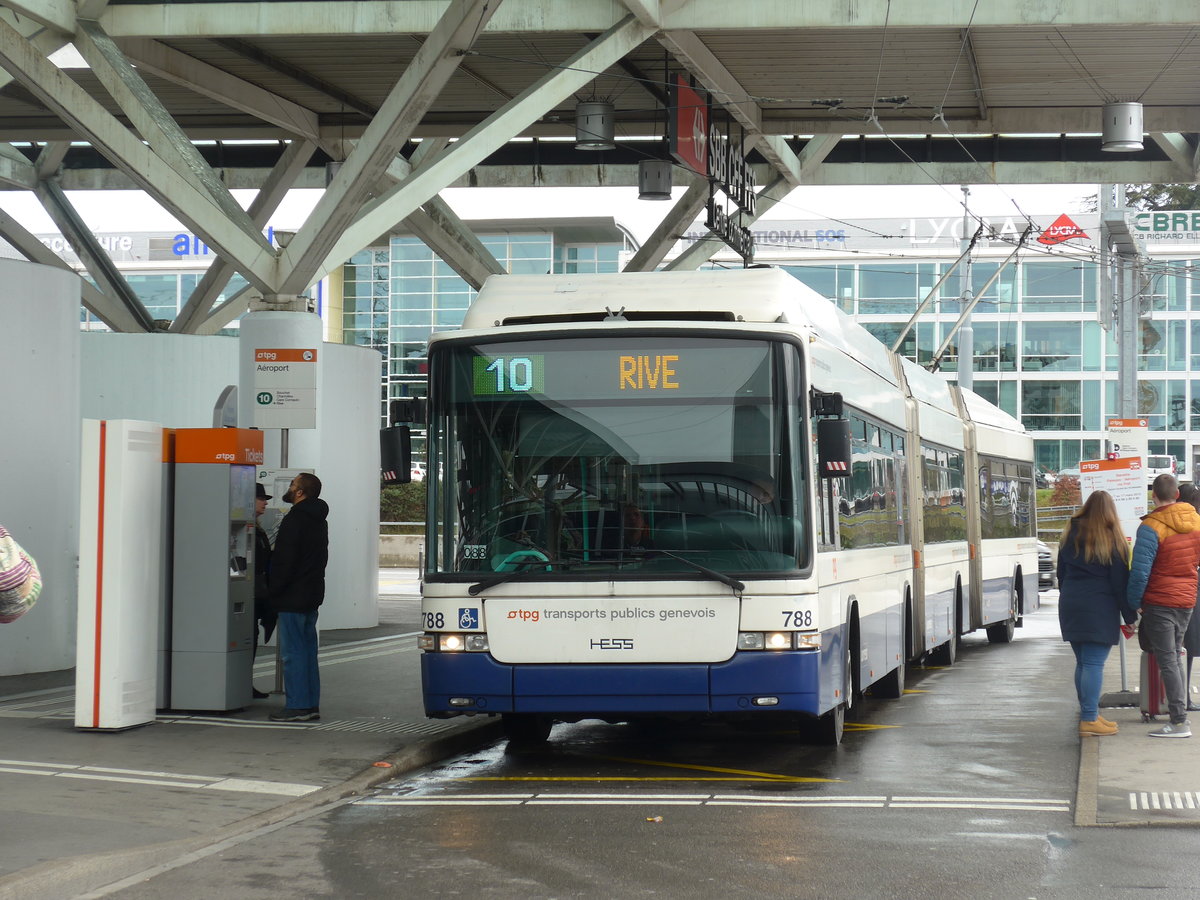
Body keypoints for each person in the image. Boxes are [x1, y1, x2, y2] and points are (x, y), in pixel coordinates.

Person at [1056, 490, 1135, 737]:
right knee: (1092, 664)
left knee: (1083, 663)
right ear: (1110, 512)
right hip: (1098, 607)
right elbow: (1119, 585)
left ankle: (1089, 713)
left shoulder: (1069, 534)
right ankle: (1089, 719)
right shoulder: (1113, 540)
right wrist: (1130, 617)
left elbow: (1061, 574)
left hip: (1071, 603)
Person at [1127, 473, 1200, 738]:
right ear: (1177, 495)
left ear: (1153, 496)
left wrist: (1134, 603)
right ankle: (1179, 715)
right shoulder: (1196, 522)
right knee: (1176, 657)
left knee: (1168, 660)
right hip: (1186, 599)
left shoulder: (1151, 527)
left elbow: (1139, 572)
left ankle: (1179, 721)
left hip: (1159, 601)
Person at [268, 472, 329, 722]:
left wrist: (274, 590)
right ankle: (310, 703)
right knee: (307, 652)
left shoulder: (295, 519)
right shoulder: (319, 520)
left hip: (292, 596)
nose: (290, 487)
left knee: (292, 654)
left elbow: (285, 560)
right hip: (311, 593)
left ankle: (297, 706)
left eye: (293, 485)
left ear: (300, 492)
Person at [1175, 483, 1200, 711]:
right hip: (1191, 589)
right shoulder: (1195, 522)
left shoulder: (1166, 521)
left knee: (1180, 646)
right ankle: (1184, 698)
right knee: (1189, 644)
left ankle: (1180, 697)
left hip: (1174, 591)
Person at [251, 483, 277, 700]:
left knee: (252, 636)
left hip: (257, 592)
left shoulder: (256, 529)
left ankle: (244, 681)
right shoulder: (250, 529)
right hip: (251, 592)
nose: (265, 502)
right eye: (261, 498)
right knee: (249, 635)